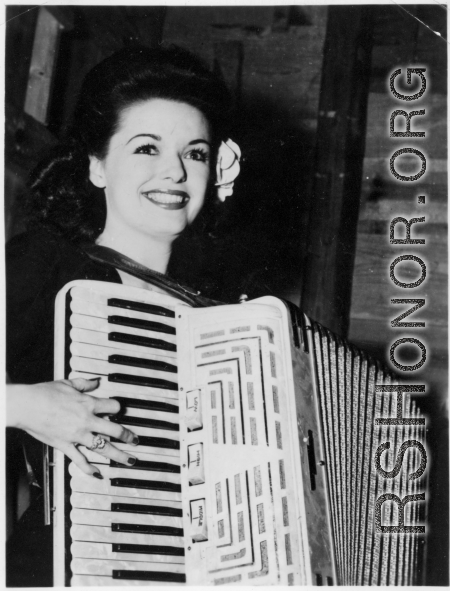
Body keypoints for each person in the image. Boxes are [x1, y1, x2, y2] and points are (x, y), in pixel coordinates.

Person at [6, 44, 240, 586]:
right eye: (146, 149)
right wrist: (20, 404)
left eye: (196, 153)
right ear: (96, 166)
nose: (175, 171)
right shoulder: (46, 265)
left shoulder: (221, 318)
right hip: (62, 570)